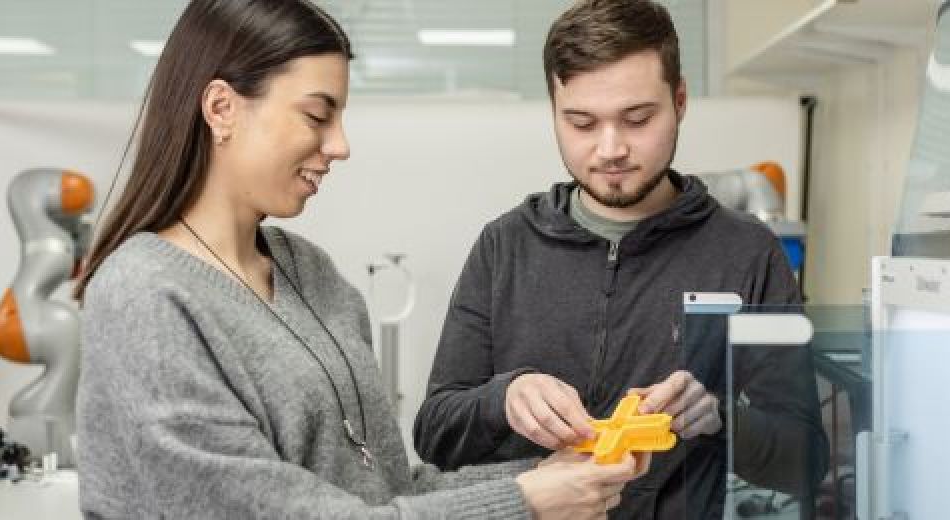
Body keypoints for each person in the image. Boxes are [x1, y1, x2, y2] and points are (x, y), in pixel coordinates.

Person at [71, 1, 647, 517]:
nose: (340, 145)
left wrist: (553, 474)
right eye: (318, 116)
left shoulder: (314, 277)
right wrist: (521, 502)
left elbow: (390, 493)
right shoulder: (145, 294)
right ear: (222, 108)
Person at [411, 1, 828, 518]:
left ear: (679, 101)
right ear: (554, 111)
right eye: (582, 122)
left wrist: (723, 419)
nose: (610, 149)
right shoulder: (504, 246)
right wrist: (504, 399)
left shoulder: (747, 253)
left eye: (636, 119)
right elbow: (434, 433)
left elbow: (806, 458)